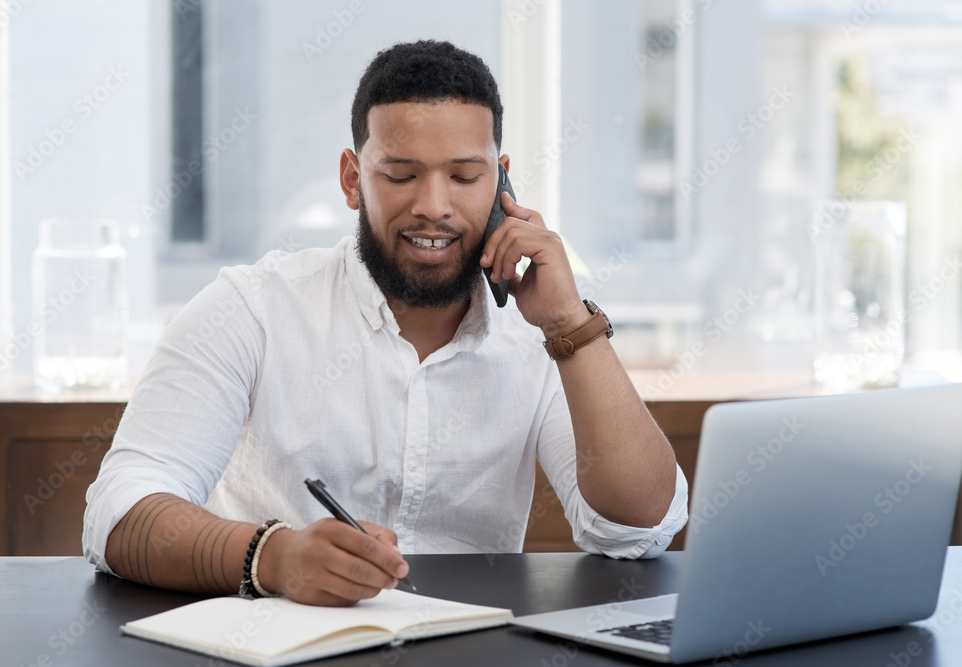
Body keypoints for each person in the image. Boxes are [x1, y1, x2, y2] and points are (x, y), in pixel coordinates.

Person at [83, 39, 688, 607]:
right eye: (400, 175)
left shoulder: (544, 332)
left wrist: (568, 324)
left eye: (464, 176)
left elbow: (638, 532)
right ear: (352, 179)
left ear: (501, 180)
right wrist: (269, 557)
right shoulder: (249, 309)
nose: (433, 204)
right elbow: (118, 512)